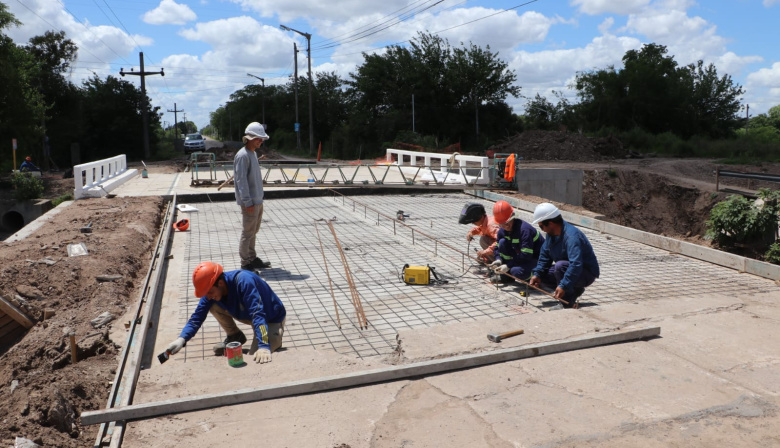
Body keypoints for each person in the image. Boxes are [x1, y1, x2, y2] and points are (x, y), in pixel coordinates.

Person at [166, 261, 286, 363]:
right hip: (249, 314)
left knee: (255, 358)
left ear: (221, 283)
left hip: (270, 319)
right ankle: (235, 336)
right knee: (211, 305)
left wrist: (264, 345)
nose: (208, 296)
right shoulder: (212, 290)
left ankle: (274, 339)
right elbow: (197, 317)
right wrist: (182, 339)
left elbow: (258, 314)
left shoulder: (244, 282)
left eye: (210, 292)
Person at [529, 203, 600, 309]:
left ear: (551, 223)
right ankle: (574, 290)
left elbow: (576, 264)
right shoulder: (551, 235)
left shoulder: (571, 237)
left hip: (585, 273)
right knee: (544, 274)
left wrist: (563, 285)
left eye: (541, 226)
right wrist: (537, 274)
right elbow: (545, 255)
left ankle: (566, 302)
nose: (541, 229)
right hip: (570, 270)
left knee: (560, 266)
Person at [235, 122, 271, 271]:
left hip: (257, 200)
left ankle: (252, 258)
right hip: (250, 202)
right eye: (258, 138)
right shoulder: (243, 156)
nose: (261, 141)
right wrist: (247, 201)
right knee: (247, 233)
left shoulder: (253, 154)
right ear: (249, 138)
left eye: (262, 139)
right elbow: (241, 180)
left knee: (253, 232)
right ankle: (245, 263)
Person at [488, 200, 545, 284]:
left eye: (508, 222)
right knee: (502, 242)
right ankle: (507, 276)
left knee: (517, 271)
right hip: (522, 256)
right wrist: (498, 259)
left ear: (513, 217)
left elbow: (526, 255)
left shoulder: (524, 230)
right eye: (503, 224)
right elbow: (497, 247)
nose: (506, 226)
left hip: (537, 258)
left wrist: (508, 266)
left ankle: (535, 279)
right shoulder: (502, 232)